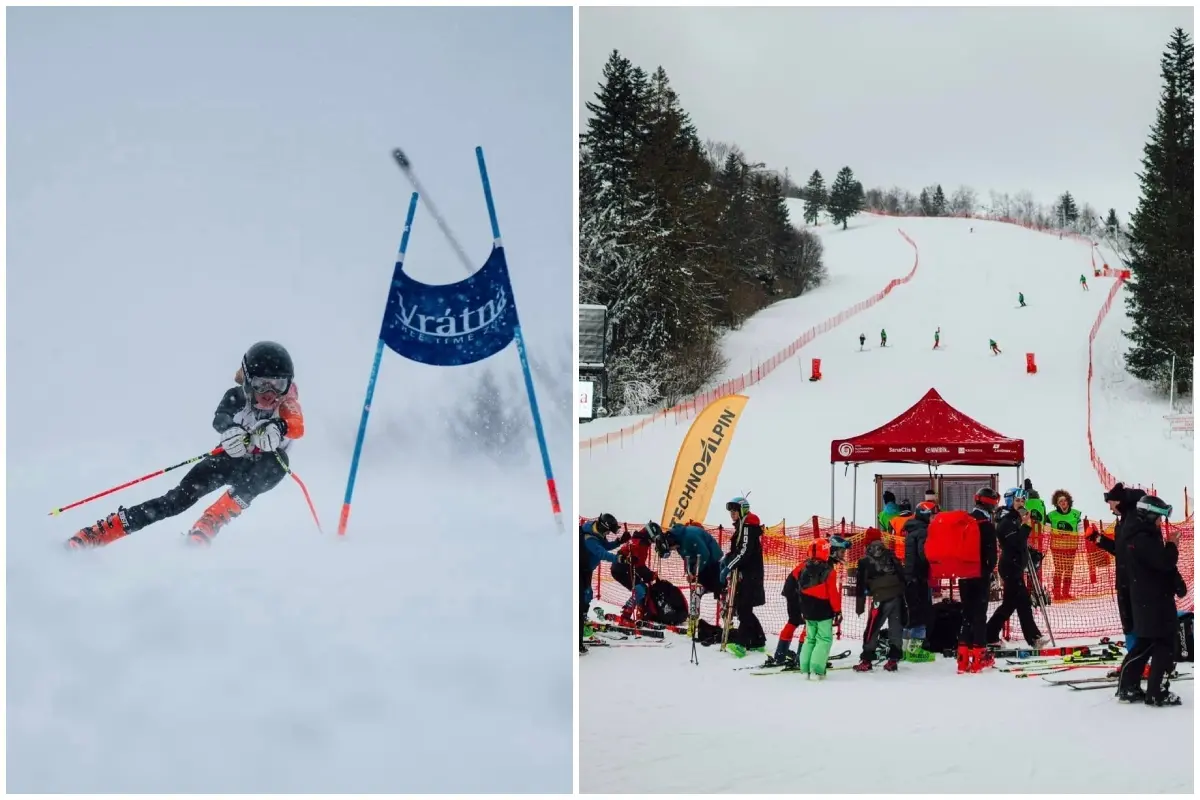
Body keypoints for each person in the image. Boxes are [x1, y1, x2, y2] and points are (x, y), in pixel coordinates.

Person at [66, 342, 304, 549]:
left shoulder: (287, 403)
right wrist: (230, 430)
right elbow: (220, 418)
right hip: (229, 460)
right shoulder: (236, 396)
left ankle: (211, 521)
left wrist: (280, 428)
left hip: (261, 469)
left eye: (277, 384)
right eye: (262, 384)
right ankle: (102, 531)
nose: (270, 393)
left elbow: (296, 424)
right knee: (176, 500)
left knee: (278, 462)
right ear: (249, 380)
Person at [1115, 495, 1184, 705]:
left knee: (1146, 644)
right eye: (1159, 517)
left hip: (1152, 598)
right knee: (1164, 645)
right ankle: (1155, 691)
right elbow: (1163, 562)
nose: (1160, 522)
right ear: (1150, 515)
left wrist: (1177, 583)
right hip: (1152, 600)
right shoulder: (1142, 538)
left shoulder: (1142, 534)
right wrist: (1172, 545)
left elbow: (1161, 567)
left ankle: (1129, 686)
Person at [1088, 483, 1146, 657]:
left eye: (1111, 502)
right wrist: (1099, 539)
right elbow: (1120, 551)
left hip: (1134, 582)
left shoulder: (1133, 522)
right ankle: (1135, 659)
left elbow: (1137, 552)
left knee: (1136, 622)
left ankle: (1139, 660)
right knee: (1129, 621)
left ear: (1120, 502)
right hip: (1125, 581)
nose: (1110, 506)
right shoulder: (1123, 522)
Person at [985, 488, 1048, 648]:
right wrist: (1026, 526)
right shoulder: (1006, 520)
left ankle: (990, 634)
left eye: (1022, 501)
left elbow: (1019, 543)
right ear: (1010, 502)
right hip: (1010, 567)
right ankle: (1034, 638)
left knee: (1010, 604)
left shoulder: (1015, 519)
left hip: (1015, 565)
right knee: (1022, 603)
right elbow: (1015, 543)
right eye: (1017, 500)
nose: (1021, 504)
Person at [958, 487, 1000, 673]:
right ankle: (979, 657)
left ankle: (962, 658)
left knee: (967, 615)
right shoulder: (986, 525)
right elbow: (991, 557)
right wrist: (989, 571)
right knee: (979, 615)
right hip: (980, 575)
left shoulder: (964, 521)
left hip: (963, 574)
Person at [795, 537, 846, 680]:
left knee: (810, 638)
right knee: (823, 638)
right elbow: (833, 593)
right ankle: (817, 670)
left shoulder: (804, 568)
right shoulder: (829, 571)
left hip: (807, 609)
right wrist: (837, 610)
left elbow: (799, 588)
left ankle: (805, 669)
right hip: (823, 609)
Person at [721, 497, 767, 655]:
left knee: (744, 609)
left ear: (742, 510)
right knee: (743, 608)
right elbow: (739, 549)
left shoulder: (748, 525)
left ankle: (741, 644)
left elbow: (745, 551)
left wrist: (729, 566)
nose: (732, 514)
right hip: (746, 573)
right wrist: (727, 558)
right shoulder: (742, 526)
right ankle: (758, 641)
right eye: (731, 512)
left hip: (751, 574)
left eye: (734, 511)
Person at [854, 539, 907, 671]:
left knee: (872, 629)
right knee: (896, 628)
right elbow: (902, 575)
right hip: (898, 596)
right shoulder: (892, 557)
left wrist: (859, 607)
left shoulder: (864, 562)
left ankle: (867, 660)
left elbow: (860, 586)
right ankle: (893, 660)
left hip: (881, 598)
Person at [580, 513, 625, 654]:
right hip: (579, 572)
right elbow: (602, 553)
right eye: (607, 531)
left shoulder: (595, 532)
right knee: (581, 603)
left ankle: (581, 621)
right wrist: (619, 559)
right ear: (603, 527)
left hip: (586, 571)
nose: (607, 534)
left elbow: (605, 545)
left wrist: (619, 542)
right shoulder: (590, 539)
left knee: (587, 598)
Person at [903, 500, 937, 661]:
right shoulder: (923, 531)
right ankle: (915, 650)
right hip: (919, 576)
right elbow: (924, 554)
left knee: (912, 612)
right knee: (921, 612)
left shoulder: (911, 529)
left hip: (909, 576)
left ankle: (905, 647)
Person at [611, 525, 656, 625]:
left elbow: (638, 564)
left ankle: (642, 613)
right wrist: (649, 574)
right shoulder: (641, 543)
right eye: (654, 538)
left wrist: (647, 574)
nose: (653, 541)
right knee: (640, 590)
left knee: (643, 588)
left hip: (623, 568)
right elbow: (639, 565)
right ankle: (625, 616)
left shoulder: (638, 539)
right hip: (622, 570)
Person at [1047, 489, 1083, 600]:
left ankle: (1066, 592)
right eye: (1060, 501)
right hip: (1057, 547)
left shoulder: (1075, 514)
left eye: (1064, 500)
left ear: (1068, 501)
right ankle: (1057, 593)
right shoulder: (1051, 515)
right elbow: (1046, 531)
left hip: (1071, 547)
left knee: (1069, 569)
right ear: (1057, 504)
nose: (1063, 503)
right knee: (1059, 569)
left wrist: (1081, 541)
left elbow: (1081, 530)